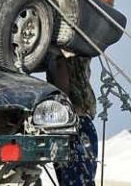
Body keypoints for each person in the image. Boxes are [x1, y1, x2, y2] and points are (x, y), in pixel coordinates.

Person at [47, 54, 99, 186]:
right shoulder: (66, 58)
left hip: (70, 121)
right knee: (80, 176)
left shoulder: (60, 58)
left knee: (75, 177)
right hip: (75, 121)